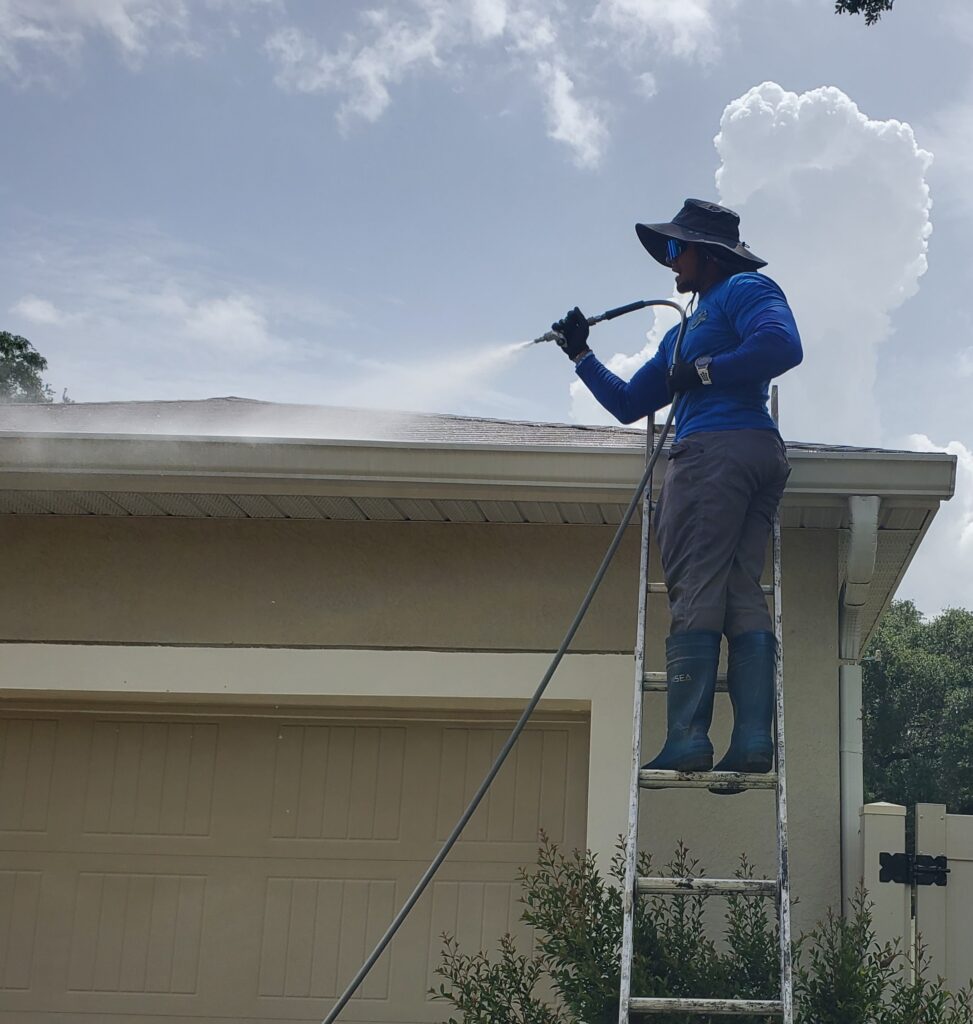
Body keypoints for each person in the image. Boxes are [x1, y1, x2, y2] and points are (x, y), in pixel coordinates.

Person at [552, 198, 803, 779]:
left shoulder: (743, 291)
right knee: (739, 588)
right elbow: (628, 403)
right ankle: (751, 743)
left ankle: (688, 739)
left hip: (713, 455)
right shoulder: (684, 331)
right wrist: (582, 353)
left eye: (675, 248)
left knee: (692, 585)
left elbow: (783, 346)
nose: (669, 263)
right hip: (751, 455)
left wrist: (707, 370)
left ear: (708, 254)